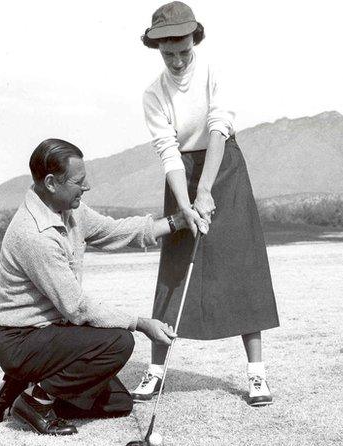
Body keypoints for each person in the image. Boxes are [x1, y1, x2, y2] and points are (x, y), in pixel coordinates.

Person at [0, 138, 208, 436]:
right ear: (52, 183)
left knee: (119, 403)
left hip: (52, 334)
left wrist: (178, 221)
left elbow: (115, 231)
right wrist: (141, 324)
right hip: (22, 341)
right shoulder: (34, 234)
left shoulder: (70, 210)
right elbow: (77, 307)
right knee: (119, 343)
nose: (87, 187)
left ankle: (21, 389)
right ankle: (37, 402)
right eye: (79, 181)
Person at [131, 1, 280, 407]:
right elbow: (168, 153)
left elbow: (219, 128)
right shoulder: (153, 94)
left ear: (194, 40)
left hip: (224, 168)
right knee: (175, 269)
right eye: (168, 53)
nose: (177, 60)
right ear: (156, 49)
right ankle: (156, 372)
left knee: (242, 266)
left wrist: (205, 191)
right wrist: (184, 205)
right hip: (181, 174)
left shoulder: (215, 71)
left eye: (184, 50)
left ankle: (256, 375)